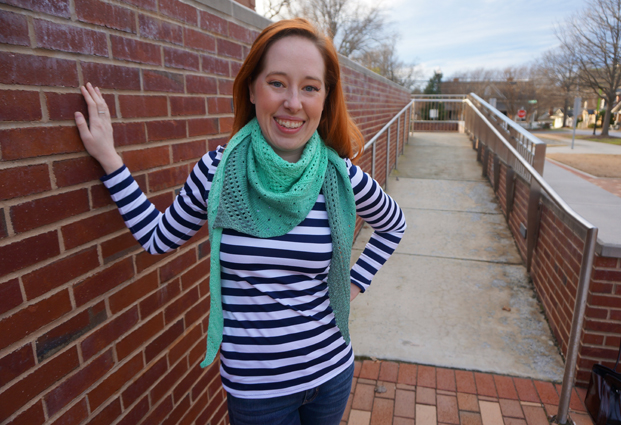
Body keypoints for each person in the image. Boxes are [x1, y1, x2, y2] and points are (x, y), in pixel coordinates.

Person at [75, 18, 405, 425]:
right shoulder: (219, 173)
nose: (293, 103)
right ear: (252, 89)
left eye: (310, 87)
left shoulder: (339, 175)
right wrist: (110, 160)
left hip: (331, 371)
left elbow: (394, 225)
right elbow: (158, 238)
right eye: (278, 83)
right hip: (257, 392)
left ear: (325, 98)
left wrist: (353, 283)